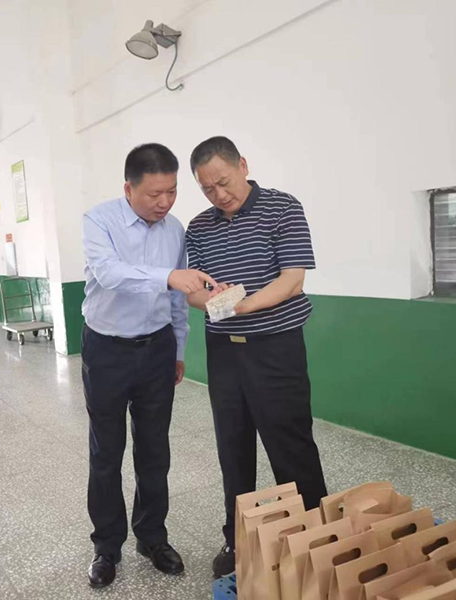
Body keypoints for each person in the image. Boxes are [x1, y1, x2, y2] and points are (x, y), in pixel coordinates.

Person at [184, 136, 328, 579]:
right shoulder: (199, 227)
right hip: (224, 352)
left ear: (243, 165)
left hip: (275, 347)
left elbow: (293, 279)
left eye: (224, 182)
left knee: (291, 443)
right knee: (233, 446)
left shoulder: (283, 208)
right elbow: (193, 292)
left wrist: (243, 305)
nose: (218, 194)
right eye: (207, 188)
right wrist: (213, 300)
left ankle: (316, 535)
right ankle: (237, 538)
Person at [81, 143, 216, 588]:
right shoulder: (99, 220)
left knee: (154, 450)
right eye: (154, 194)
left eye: (172, 192)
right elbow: (109, 273)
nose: (164, 202)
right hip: (106, 349)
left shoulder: (175, 230)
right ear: (129, 189)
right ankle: (107, 546)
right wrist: (168, 276)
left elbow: (178, 299)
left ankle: (152, 536)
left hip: (157, 348)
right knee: (106, 452)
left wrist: (178, 349)